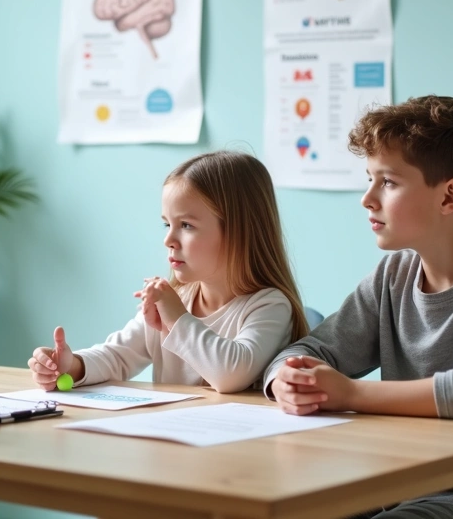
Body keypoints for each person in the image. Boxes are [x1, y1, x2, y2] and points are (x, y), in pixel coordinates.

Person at [265, 95, 453, 518]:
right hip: (410, 486)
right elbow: (312, 351)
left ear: (449, 197)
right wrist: (286, 377)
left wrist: (352, 392)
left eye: (387, 182)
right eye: (369, 179)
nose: (367, 198)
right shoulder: (393, 277)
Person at [29, 150, 307, 394]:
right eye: (167, 225)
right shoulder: (173, 300)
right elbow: (118, 356)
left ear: (238, 232)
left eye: (186, 225)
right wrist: (72, 365)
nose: (169, 240)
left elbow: (230, 374)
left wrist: (177, 317)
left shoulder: (269, 306)